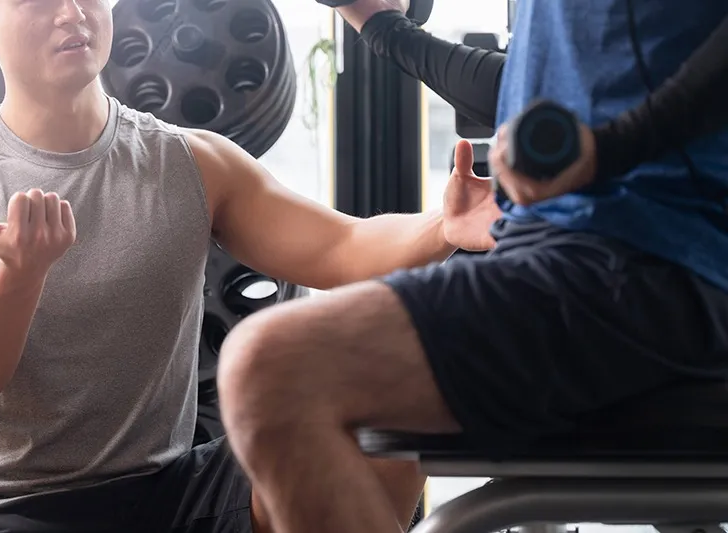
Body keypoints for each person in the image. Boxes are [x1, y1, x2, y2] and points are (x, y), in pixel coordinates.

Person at [0, 0, 502, 531]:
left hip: (172, 490)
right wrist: (18, 278)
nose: (72, 12)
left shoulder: (191, 162)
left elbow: (340, 245)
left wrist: (443, 227)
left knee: (375, 417)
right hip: (11, 507)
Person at [213, 1, 728, 533]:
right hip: (583, 260)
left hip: (660, 262)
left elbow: (608, 122)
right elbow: (530, 94)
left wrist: (610, 146)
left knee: (278, 371)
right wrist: (384, 28)